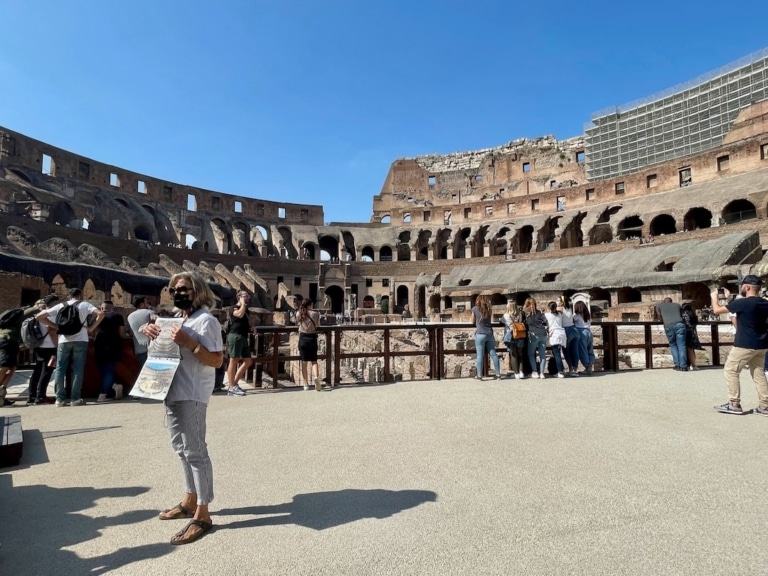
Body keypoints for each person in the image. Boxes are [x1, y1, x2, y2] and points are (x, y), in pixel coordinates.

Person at [141, 271, 223, 544]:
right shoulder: (174, 320)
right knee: (181, 449)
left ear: (197, 291)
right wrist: (150, 334)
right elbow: (162, 352)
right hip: (172, 390)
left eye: (184, 288)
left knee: (196, 451)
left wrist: (191, 344)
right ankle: (189, 499)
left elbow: (217, 360)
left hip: (193, 392)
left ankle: (203, 513)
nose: (177, 292)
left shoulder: (206, 321)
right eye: (174, 288)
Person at [709, 276, 768, 416]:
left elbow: (717, 310)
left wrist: (713, 297)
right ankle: (765, 406)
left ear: (747, 287)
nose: (740, 287)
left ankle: (734, 403)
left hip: (744, 344)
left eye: (742, 285)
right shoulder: (765, 303)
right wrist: (730, 300)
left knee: (731, 370)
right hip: (762, 344)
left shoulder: (743, 303)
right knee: (758, 373)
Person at [37, 288, 103, 407]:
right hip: (81, 339)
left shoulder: (61, 305)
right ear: (80, 295)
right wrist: (92, 328)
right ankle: (75, 398)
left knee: (60, 369)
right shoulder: (85, 304)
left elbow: (39, 316)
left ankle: (60, 399)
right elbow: (101, 313)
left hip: (63, 340)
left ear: (69, 296)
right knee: (78, 369)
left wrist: (56, 326)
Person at [0, 300, 47, 406]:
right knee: (5, 367)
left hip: (9, 342)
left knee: (12, 368)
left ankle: (1, 393)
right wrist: (39, 307)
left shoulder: (14, 314)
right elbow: (35, 309)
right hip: (7, 341)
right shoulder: (24, 312)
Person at [27, 295, 59, 404]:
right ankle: (40, 396)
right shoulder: (51, 314)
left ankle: (31, 396)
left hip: (39, 347)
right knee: (47, 371)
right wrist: (57, 347)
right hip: (50, 348)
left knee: (37, 371)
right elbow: (52, 331)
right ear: (54, 303)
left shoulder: (38, 314)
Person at [94, 301, 127, 403]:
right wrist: (128, 336)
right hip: (113, 346)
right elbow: (121, 333)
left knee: (104, 370)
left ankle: (107, 391)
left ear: (102, 307)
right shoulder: (118, 316)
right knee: (109, 369)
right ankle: (110, 389)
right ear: (112, 307)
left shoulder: (98, 316)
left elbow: (94, 331)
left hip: (99, 346)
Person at [224, 291, 253, 397]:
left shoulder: (246, 310)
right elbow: (239, 315)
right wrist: (242, 304)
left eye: (247, 296)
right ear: (239, 297)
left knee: (248, 361)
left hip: (243, 337)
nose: (247, 297)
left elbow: (246, 321)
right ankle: (231, 388)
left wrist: (252, 327)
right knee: (233, 360)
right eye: (244, 295)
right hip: (234, 336)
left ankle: (234, 384)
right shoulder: (233, 308)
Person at [471, 295, 501, 380]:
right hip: (489, 333)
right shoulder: (489, 309)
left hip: (480, 333)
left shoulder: (475, 309)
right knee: (493, 354)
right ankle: (498, 374)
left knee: (479, 355)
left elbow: (472, 321)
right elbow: (489, 321)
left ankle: (479, 375)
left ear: (478, 301)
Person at [655, 297, 688, 371]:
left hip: (668, 326)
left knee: (673, 345)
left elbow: (659, 316)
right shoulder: (677, 305)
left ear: (664, 301)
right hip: (680, 324)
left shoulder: (659, 305)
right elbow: (682, 315)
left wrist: (663, 319)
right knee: (681, 345)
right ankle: (683, 366)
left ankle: (677, 365)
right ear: (671, 301)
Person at [297, 300, 322, 391]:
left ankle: (305, 384)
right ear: (310, 305)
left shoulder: (298, 313)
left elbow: (297, 323)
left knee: (304, 362)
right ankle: (316, 377)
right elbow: (318, 325)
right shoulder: (316, 314)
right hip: (312, 338)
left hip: (303, 338)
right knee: (314, 361)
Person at [523, 298, 548, 378]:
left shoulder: (526, 313)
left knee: (530, 354)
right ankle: (542, 373)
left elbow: (524, 323)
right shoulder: (540, 312)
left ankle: (535, 372)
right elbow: (545, 321)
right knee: (542, 355)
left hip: (533, 335)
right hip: (543, 334)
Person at [501, 301, 526, 379]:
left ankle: (516, 373)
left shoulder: (506, 315)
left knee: (513, 355)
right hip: (520, 335)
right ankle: (521, 372)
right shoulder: (520, 314)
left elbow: (502, 321)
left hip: (511, 336)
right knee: (520, 354)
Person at [127, 296, 153, 370]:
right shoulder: (149, 312)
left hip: (138, 351)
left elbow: (130, 333)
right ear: (141, 304)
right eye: (147, 303)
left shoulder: (129, 316)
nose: (148, 304)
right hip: (150, 350)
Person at [544, 301, 567, 378]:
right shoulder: (560, 314)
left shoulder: (547, 315)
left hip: (554, 335)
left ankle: (560, 372)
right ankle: (562, 369)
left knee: (556, 354)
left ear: (549, 308)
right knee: (558, 353)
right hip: (561, 334)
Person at [573, 301, 594, 374]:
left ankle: (587, 367)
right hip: (589, 332)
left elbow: (571, 322)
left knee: (582, 350)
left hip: (581, 333)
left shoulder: (576, 316)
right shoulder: (588, 315)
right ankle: (590, 366)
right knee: (590, 350)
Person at [561, 297, 580, 376]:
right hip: (574, 329)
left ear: (562, 302)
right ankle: (575, 369)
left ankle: (571, 369)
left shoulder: (560, 310)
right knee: (574, 350)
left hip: (566, 330)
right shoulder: (570, 308)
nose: (556, 302)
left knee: (566, 350)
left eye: (558, 301)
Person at [681, 302, 702, 370]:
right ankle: (694, 365)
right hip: (691, 332)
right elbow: (695, 323)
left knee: (684, 348)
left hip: (683, 331)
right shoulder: (692, 314)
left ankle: (686, 365)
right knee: (691, 349)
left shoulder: (681, 314)